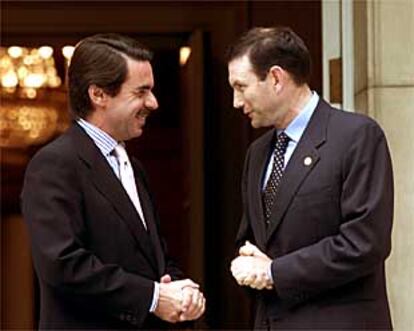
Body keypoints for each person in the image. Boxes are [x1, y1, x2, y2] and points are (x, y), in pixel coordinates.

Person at [21, 33, 205, 329]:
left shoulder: (134, 166)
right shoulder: (54, 164)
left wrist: (182, 291)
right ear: (99, 95)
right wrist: (155, 297)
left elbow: (152, 258)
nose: (153, 103)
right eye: (141, 92)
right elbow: (63, 264)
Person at [228, 27, 393, 330]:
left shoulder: (356, 136)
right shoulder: (258, 152)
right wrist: (246, 262)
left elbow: (365, 242)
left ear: (276, 78)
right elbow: (253, 239)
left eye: (241, 87)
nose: (236, 102)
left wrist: (275, 272)